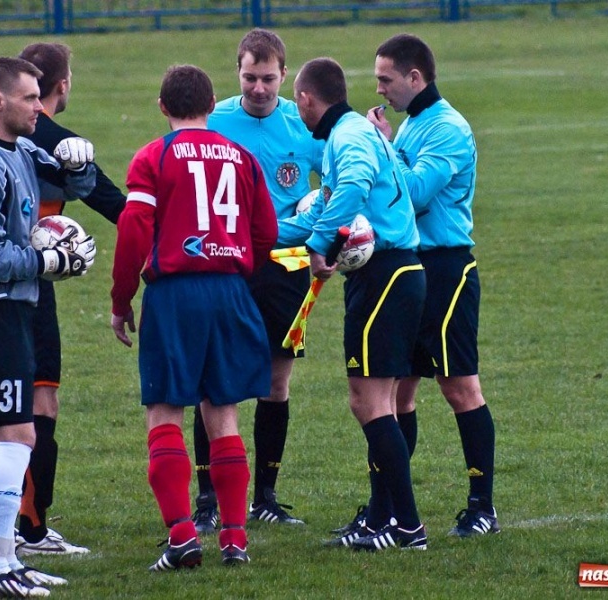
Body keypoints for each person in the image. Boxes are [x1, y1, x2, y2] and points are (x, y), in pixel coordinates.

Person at [110, 64, 278, 570]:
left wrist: (121, 301)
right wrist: (233, 276)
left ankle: (183, 537)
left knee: (165, 412)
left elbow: (134, 229)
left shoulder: (153, 156)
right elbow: (266, 232)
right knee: (223, 414)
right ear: (211, 107)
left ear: (163, 107)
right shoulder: (242, 157)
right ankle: (234, 540)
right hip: (230, 292)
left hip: (176, 295)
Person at [0, 56, 97, 596]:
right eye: (30, 98)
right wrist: (46, 262)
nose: (40, 107)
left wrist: (77, 166)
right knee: (18, 434)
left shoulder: (20, 148)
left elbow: (79, 188)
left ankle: (0, 553)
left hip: (2, 308)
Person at [279, 57, 428, 551]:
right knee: (381, 402)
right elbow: (327, 204)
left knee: (367, 402)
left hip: (384, 275)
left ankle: (406, 527)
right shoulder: (348, 135)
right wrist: (264, 236)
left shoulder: (349, 137)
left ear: (306, 98)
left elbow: (354, 185)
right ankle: (386, 520)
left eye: (297, 103)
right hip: (397, 272)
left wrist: (321, 244)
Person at [364, 33, 499, 537]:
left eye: (386, 79)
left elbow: (415, 192)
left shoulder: (447, 128)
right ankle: (388, 508)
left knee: (460, 387)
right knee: (397, 392)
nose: (379, 90)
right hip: (411, 270)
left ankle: (482, 508)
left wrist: (381, 146)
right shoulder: (413, 125)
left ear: (414, 78)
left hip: (446, 270)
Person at [190, 28, 324, 533]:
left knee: (275, 379)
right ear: (237, 73)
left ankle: (266, 495)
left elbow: (332, 191)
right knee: (214, 380)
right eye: (250, 77)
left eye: (269, 78)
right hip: (229, 263)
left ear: (285, 76)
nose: (260, 88)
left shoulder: (305, 126)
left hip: (287, 264)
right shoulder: (216, 121)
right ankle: (207, 499)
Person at [9, 41, 127, 556]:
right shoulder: (57, 140)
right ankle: (31, 526)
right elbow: (114, 204)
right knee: (40, 400)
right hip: (30, 285)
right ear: (63, 86)